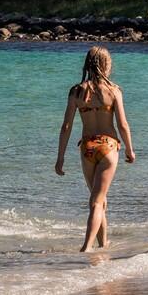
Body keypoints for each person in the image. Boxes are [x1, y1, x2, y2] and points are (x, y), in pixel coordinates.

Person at [55, 46, 135, 252]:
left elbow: (66, 126)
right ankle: (87, 247)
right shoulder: (114, 91)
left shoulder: (77, 91)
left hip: (87, 148)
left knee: (98, 200)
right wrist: (129, 149)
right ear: (106, 65)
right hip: (108, 147)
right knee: (97, 202)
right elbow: (123, 125)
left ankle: (103, 244)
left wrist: (60, 157)